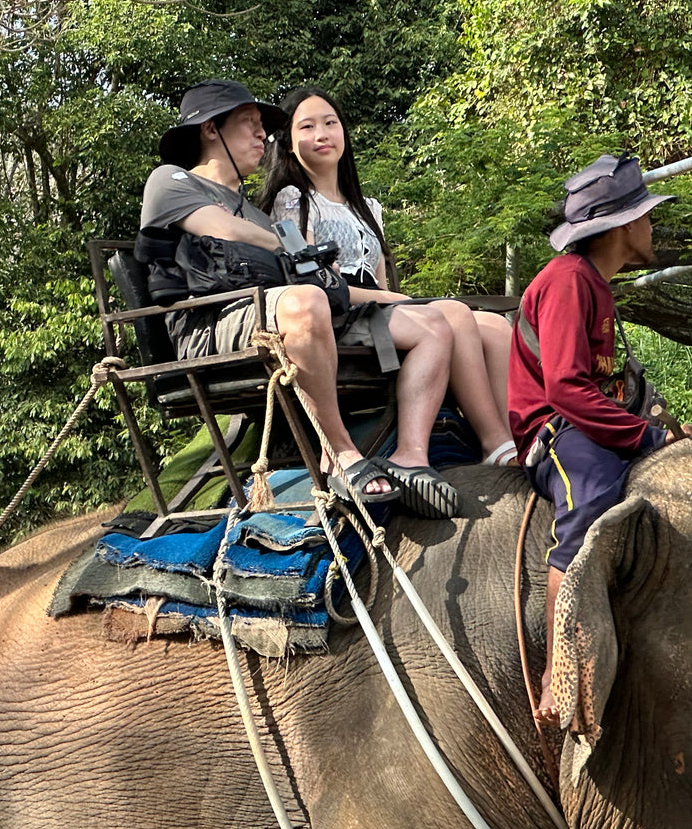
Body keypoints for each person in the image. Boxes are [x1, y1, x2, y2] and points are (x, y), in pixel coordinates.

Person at [140, 78, 460, 517]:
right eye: (249, 124)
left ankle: (415, 455)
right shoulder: (173, 181)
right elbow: (225, 231)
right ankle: (342, 455)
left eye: (263, 127)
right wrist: (291, 248)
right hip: (209, 325)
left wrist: (389, 298)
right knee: (305, 301)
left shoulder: (252, 208)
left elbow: (319, 277)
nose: (262, 136)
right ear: (211, 129)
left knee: (433, 322)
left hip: (269, 313)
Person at [508, 154, 688, 728]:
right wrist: (642, 435)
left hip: (596, 420)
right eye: (646, 217)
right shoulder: (566, 283)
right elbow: (564, 389)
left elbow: (613, 385)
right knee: (590, 501)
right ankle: (560, 668)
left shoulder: (597, 287)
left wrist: (666, 429)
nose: (652, 227)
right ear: (620, 227)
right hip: (560, 431)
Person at [262, 86, 518, 467]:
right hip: (336, 306)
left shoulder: (368, 209)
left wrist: (394, 300)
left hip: (378, 305)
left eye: (330, 123)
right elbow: (314, 283)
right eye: (307, 127)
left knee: (496, 327)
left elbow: (379, 281)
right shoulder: (293, 201)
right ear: (287, 143)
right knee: (455, 313)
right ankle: (494, 443)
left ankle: (515, 436)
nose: (321, 135)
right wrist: (396, 301)